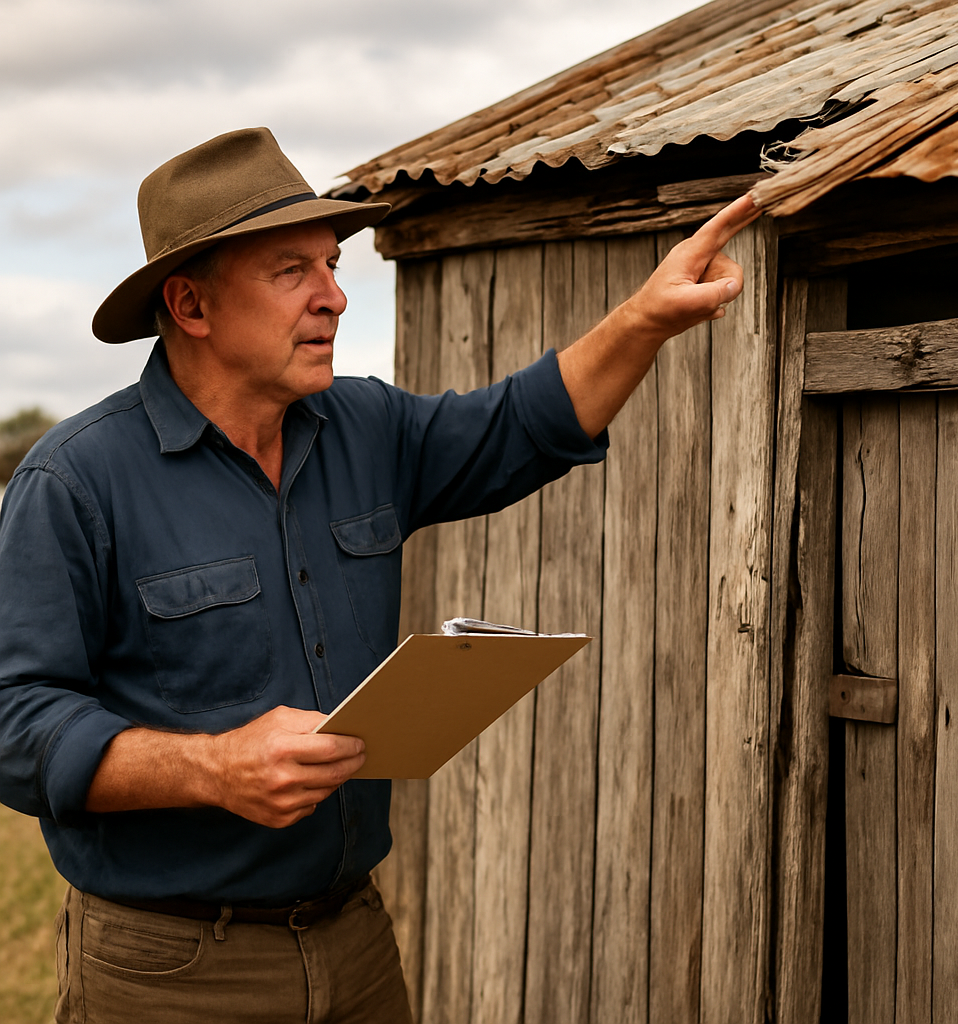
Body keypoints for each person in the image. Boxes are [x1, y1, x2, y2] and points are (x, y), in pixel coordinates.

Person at [0, 127, 760, 1023]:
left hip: (354, 941)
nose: (335, 297)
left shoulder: (365, 426)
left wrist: (643, 319)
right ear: (191, 305)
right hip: (170, 971)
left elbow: (524, 424)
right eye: (294, 271)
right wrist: (212, 768)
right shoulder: (76, 481)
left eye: (330, 264)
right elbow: (16, 725)